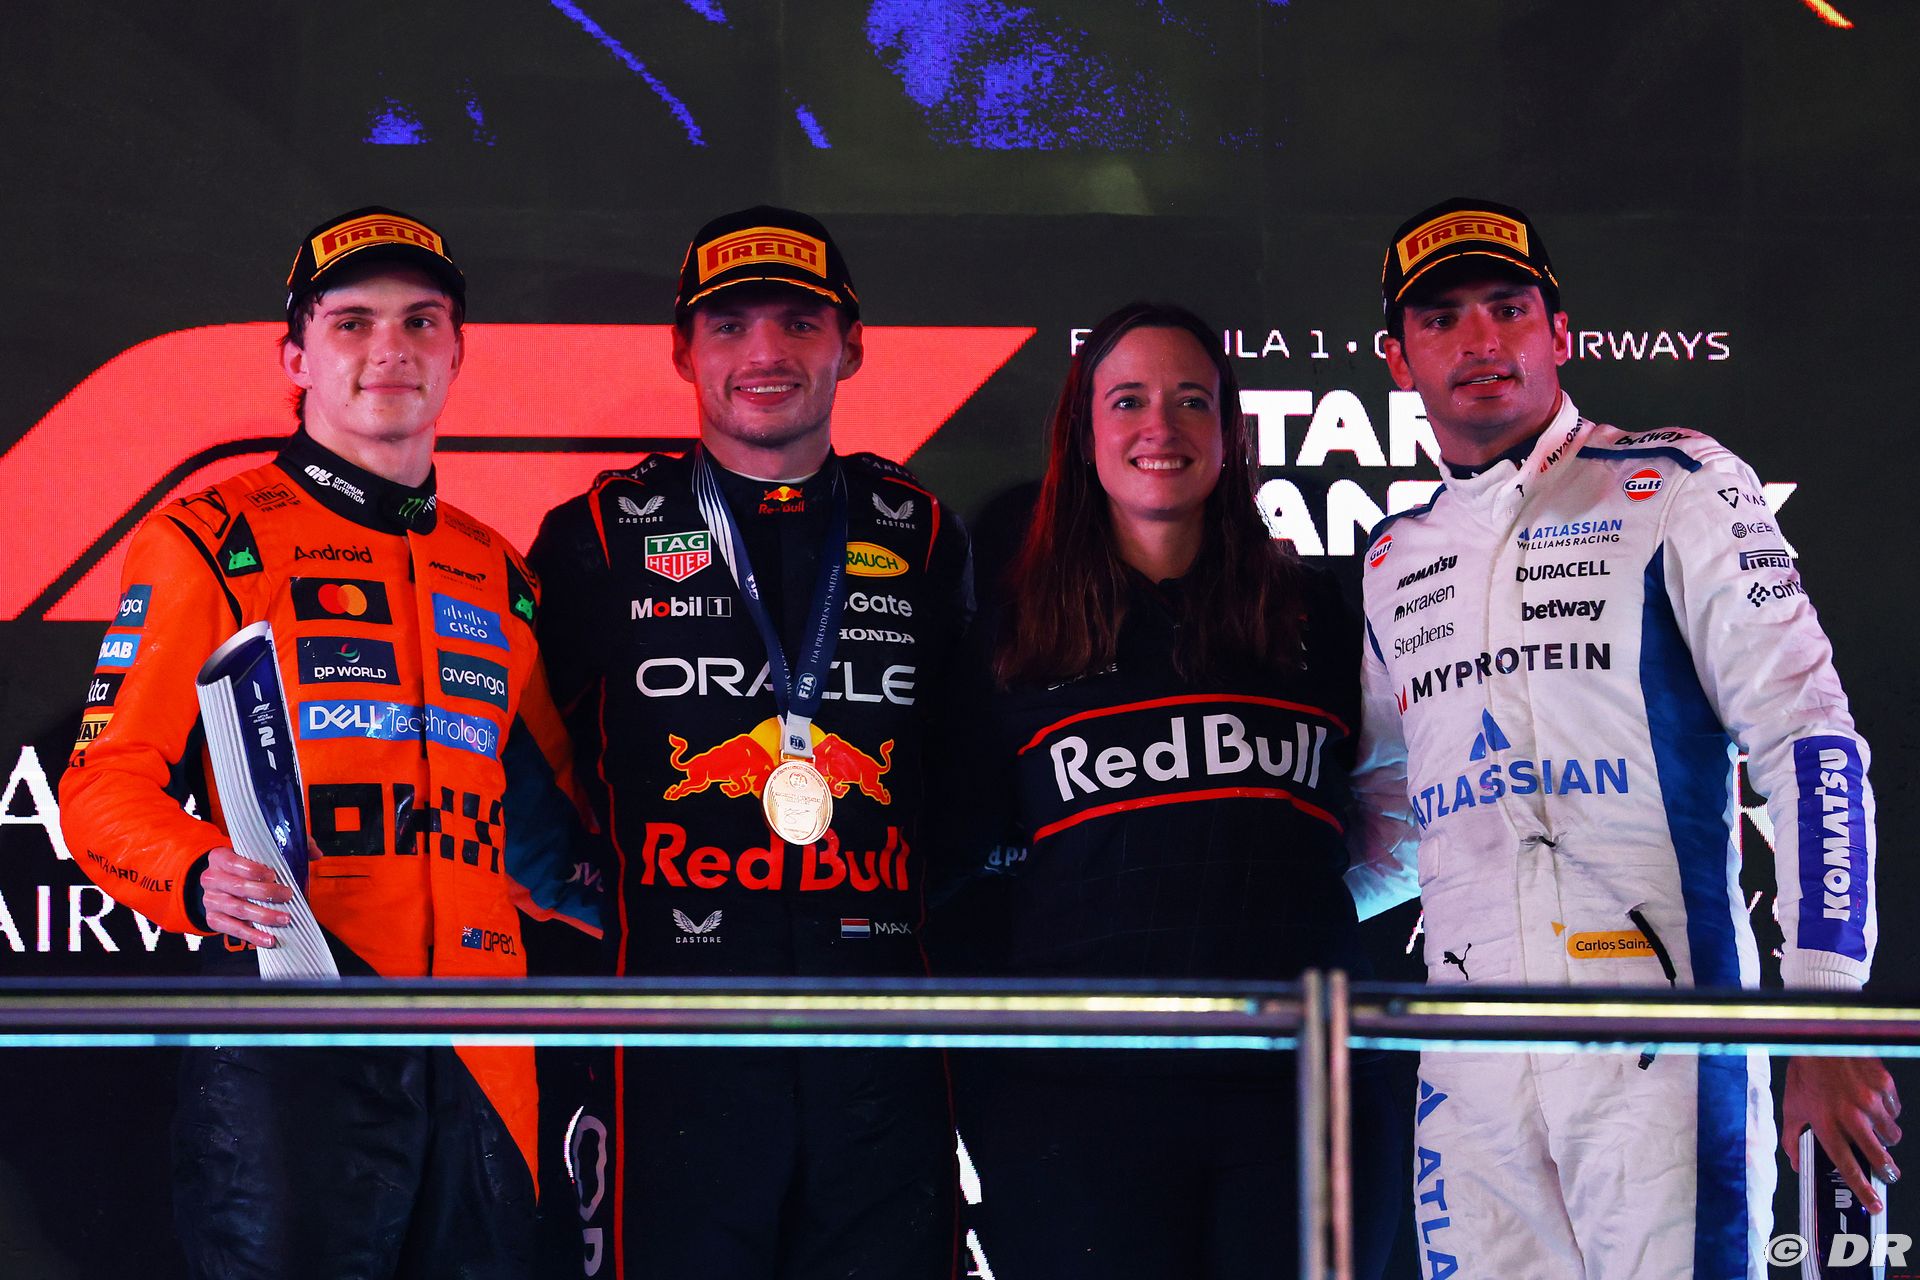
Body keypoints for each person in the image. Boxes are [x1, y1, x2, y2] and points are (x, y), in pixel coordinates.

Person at [1344, 196, 1898, 1278]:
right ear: (1399, 360)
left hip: (1662, 1031)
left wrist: (1824, 1014)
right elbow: (1397, 827)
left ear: (1560, 333)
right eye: (1442, 318)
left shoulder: (1675, 484)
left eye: (1508, 308)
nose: (1480, 339)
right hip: (1468, 1061)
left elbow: (1809, 740)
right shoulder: (1393, 559)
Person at [58, 205, 602, 1280]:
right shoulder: (208, 538)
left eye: (421, 321)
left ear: (457, 353)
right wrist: (194, 871)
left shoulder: (500, 574)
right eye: (352, 322)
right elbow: (102, 785)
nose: (390, 348)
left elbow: (554, 839)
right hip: (296, 1025)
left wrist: (702, 917)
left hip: (484, 1048)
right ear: (296, 358)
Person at [528, 205, 971, 1279]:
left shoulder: (919, 530)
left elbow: (968, 770)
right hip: (678, 1034)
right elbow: (522, 772)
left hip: (878, 1034)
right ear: (684, 350)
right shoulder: (599, 533)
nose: (765, 352)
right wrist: (625, 901)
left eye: (798, 323)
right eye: (729, 325)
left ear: (851, 346)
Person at [944, 301, 1402, 1278]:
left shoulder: (1315, 613)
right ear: (1083, 434)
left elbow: (1388, 825)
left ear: (1231, 434)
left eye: (1192, 400)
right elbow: (958, 861)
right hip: (1083, 1092)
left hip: (1299, 1079)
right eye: (1128, 400)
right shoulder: (1014, 632)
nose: (1162, 426)